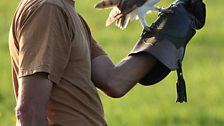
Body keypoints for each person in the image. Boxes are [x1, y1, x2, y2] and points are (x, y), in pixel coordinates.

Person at [8, 0, 205, 126]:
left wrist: (168, 31)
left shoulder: (68, 14)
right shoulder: (48, 9)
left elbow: (114, 80)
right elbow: (29, 112)